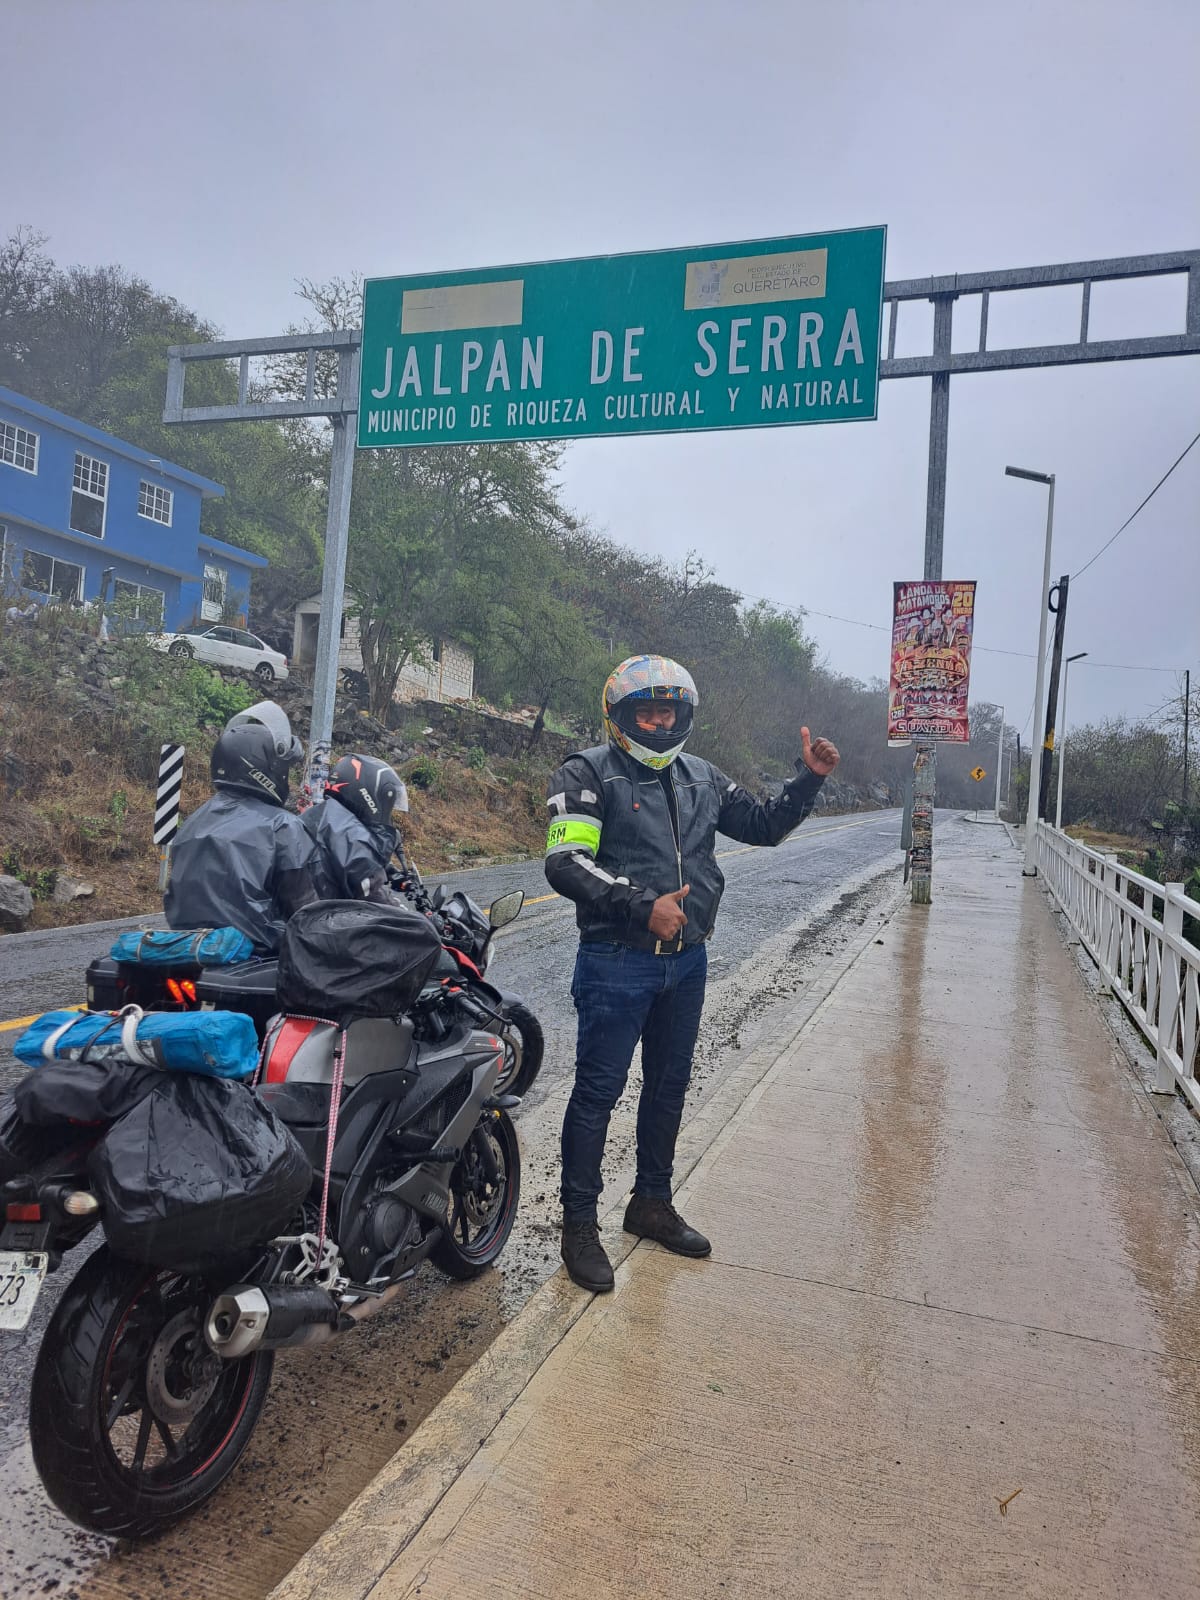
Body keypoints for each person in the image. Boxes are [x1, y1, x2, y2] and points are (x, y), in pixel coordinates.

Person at [545, 653, 840, 1292]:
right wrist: (638, 905)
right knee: (597, 1093)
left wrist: (807, 781)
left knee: (668, 1086)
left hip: (688, 960)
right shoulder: (587, 772)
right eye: (645, 711)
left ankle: (651, 1203)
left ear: (684, 716)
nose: (658, 721)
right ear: (619, 715)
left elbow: (761, 826)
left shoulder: (702, 777)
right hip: (615, 961)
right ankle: (579, 1225)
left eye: (668, 711)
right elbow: (565, 863)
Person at [163, 701, 318, 954]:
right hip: (259, 955)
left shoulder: (193, 822)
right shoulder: (283, 825)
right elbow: (304, 910)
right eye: (284, 769)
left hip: (188, 950)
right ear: (268, 768)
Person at [305, 754, 410, 904]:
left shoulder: (317, 819)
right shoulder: (355, 846)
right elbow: (380, 905)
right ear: (369, 797)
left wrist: (384, 867)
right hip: (327, 923)